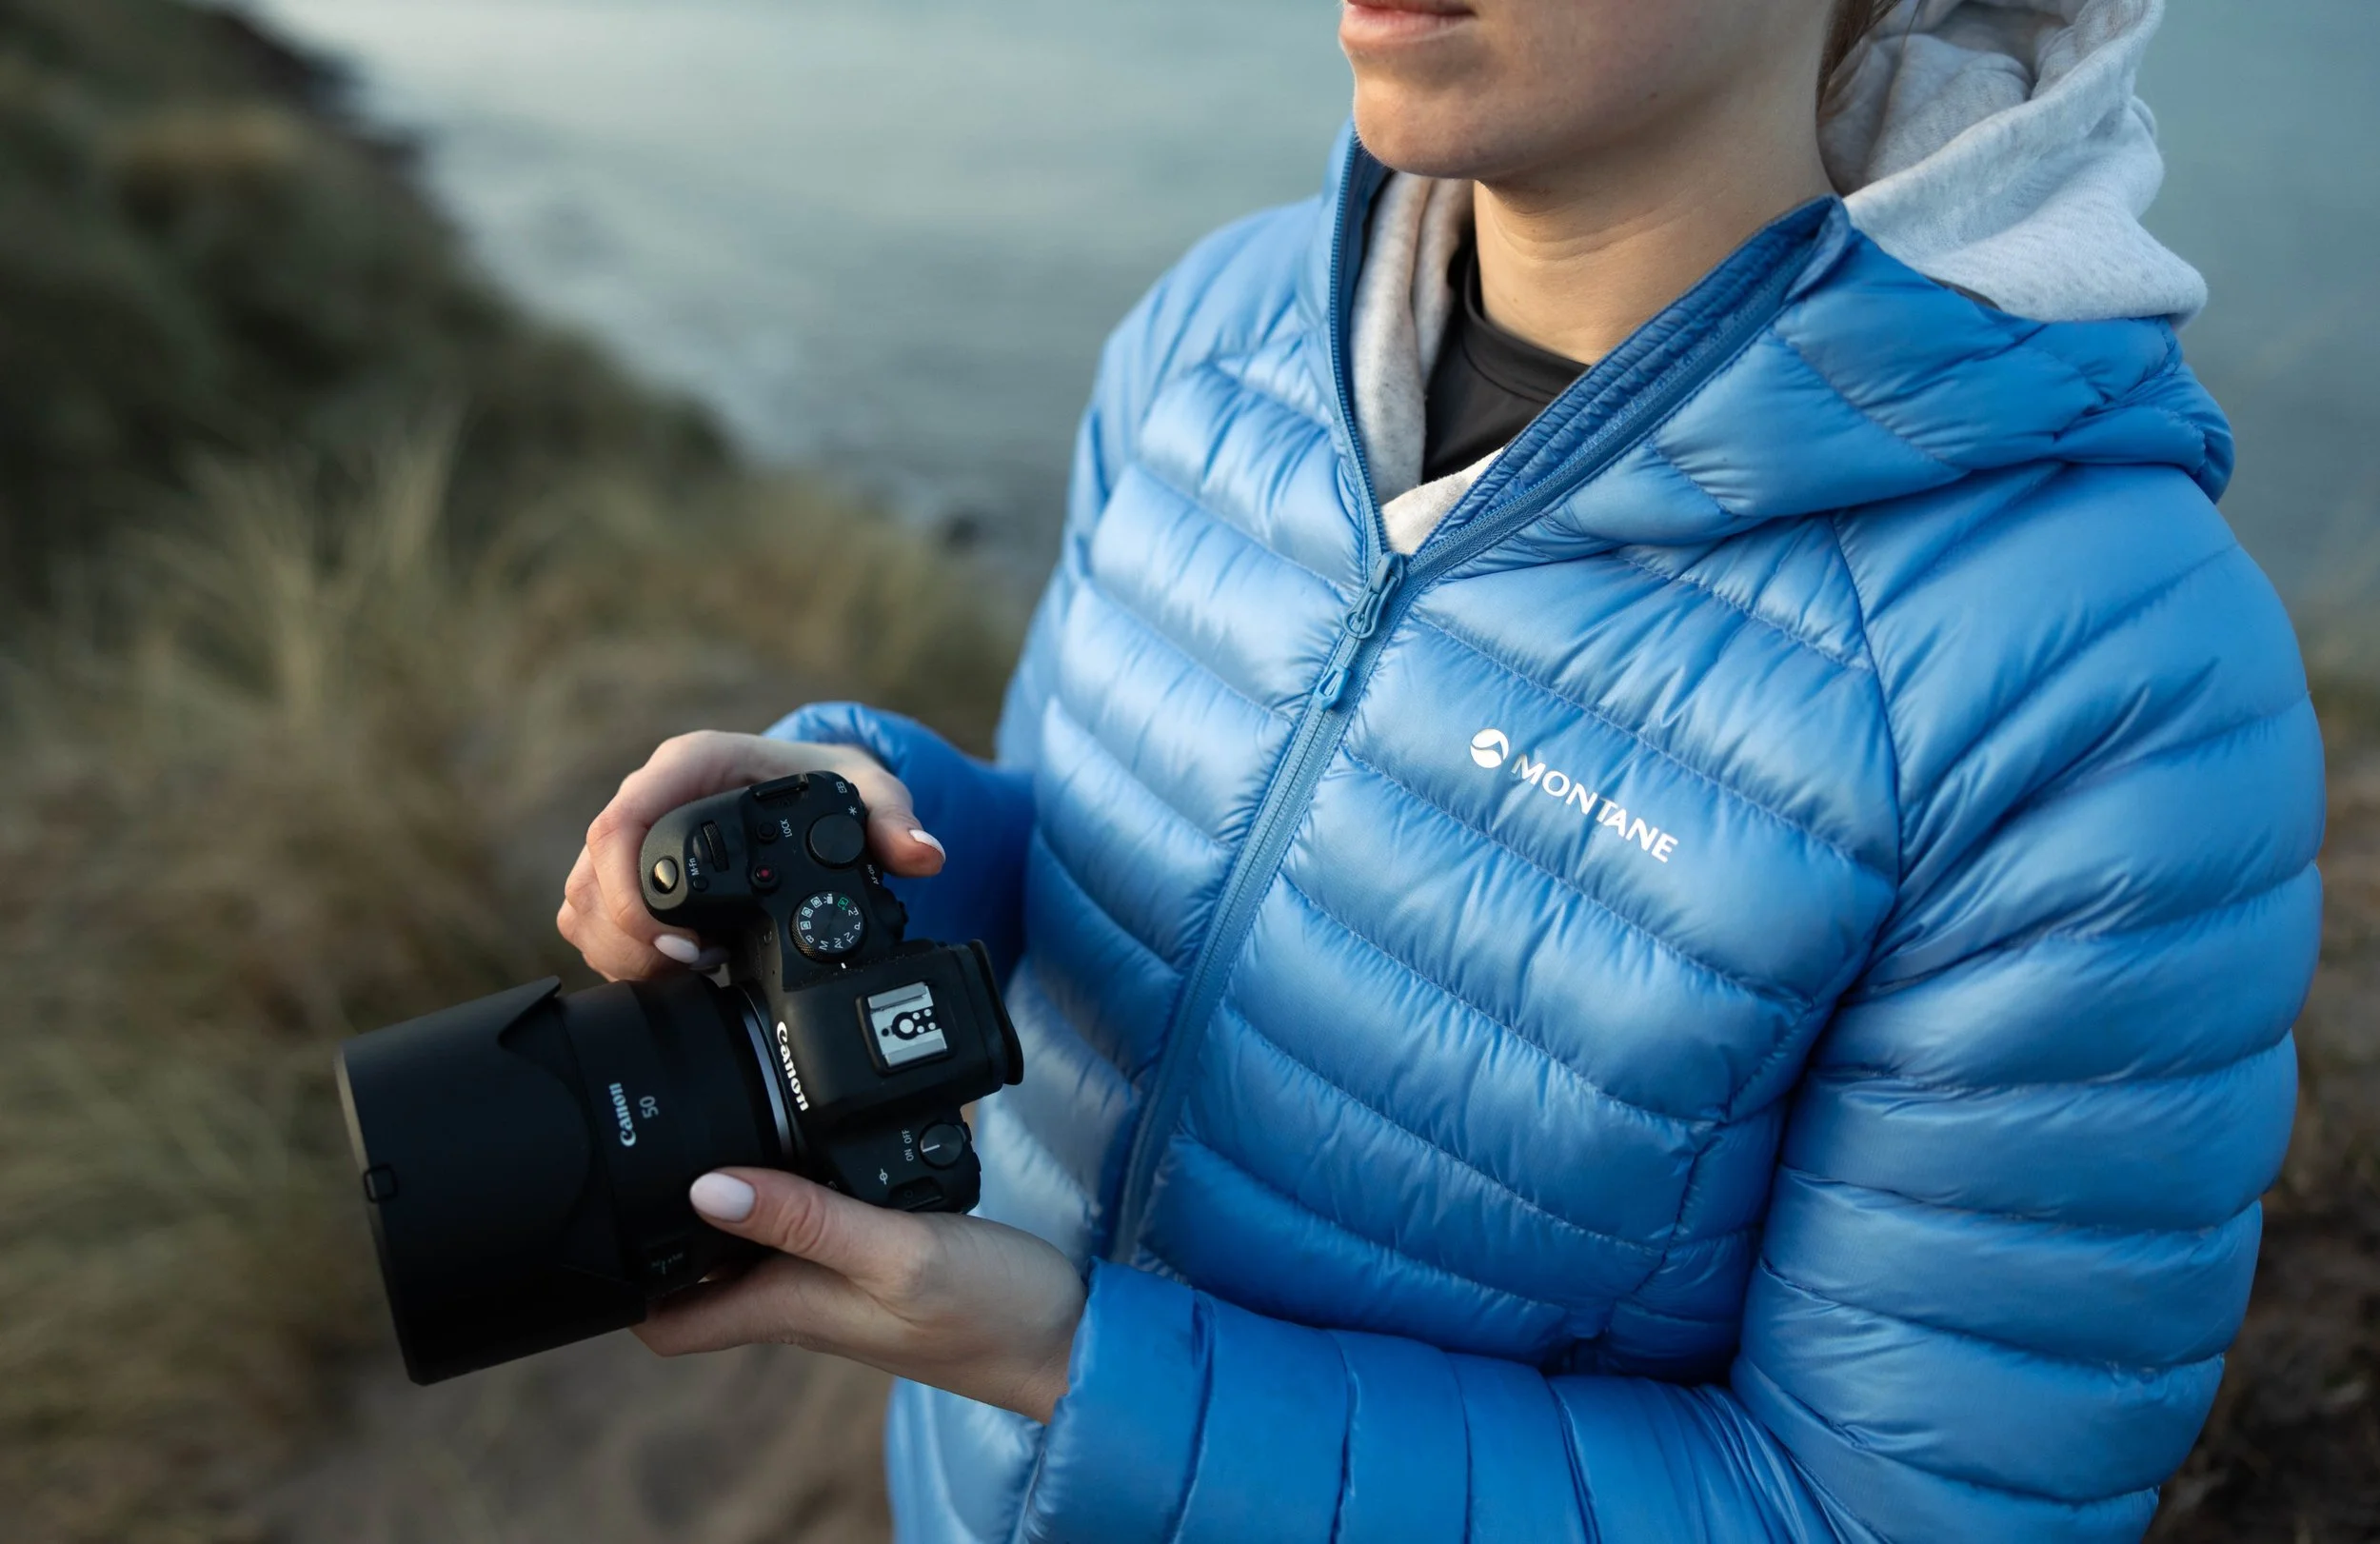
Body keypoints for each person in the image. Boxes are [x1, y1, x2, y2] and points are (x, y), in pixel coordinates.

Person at [557, 0, 2324, 1537]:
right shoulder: (1221, 331)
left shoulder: (2107, 682)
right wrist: (862, 825)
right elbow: (1128, 868)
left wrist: (1068, 1365)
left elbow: (1867, 1512)